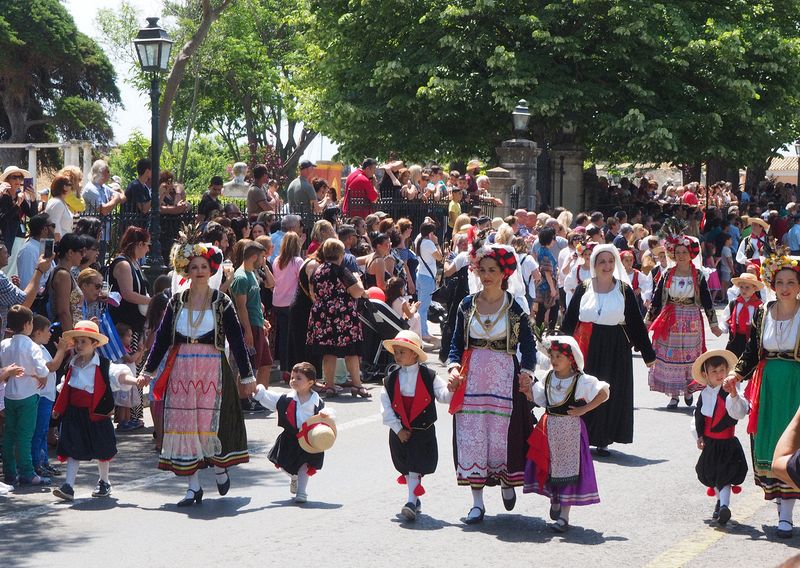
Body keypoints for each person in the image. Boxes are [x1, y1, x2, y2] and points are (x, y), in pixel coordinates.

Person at [140, 240, 255, 506]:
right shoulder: (177, 301)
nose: (200, 271)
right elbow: (161, 339)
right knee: (184, 427)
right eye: (194, 267)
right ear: (186, 271)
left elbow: (236, 339)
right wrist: (149, 370)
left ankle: (218, 467)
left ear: (211, 269)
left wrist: (247, 376)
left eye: (204, 266)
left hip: (212, 368)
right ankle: (192, 487)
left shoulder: (221, 301)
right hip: (181, 368)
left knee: (208, 424)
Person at [447, 240, 536, 525]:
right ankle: (477, 503)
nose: (486, 275)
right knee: (472, 438)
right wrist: (452, 368)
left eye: (492, 270)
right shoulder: (466, 305)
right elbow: (454, 344)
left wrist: (528, 373)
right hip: (471, 381)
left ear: (504, 273)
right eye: (482, 269)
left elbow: (529, 349)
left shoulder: (515, 308)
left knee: (502, 438)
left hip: (504, 382)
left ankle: (506, 480)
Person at [726, 253, 800, 538]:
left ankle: (787, 515)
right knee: (770, 445)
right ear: (772, 283)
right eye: (779, 282)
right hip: (768, 386)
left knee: (793, 447)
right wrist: (736, 374)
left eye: (791, 282)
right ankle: (783, 506)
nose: (784, 287)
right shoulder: (763, 312)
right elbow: (751, 352)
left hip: (795, 386)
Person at [561, 244, 656, 455]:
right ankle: (582, 435)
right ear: (594, 264)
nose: (607, 265)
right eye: (602, 261)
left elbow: (635, 324)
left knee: (607, 391)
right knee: (584, 390)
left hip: (614, 348)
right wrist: (559, 347)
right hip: (585, 344)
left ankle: (603, 437)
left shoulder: (623, 289)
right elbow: (569, 320)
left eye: (611, 261)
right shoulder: (583, 287)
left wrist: (648, 354)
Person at [522, 335, 608, 533]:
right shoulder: (548, 377)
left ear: (571, 359)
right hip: (549, 428)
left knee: (568, 471)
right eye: (552, 356)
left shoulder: (581, 380)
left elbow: (603, 392)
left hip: (570, 430)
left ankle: (564, 516)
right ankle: (555, 500)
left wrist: (583, 410)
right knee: (551, 467)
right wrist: (528, 392)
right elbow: (542, 399)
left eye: (559, 356)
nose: (553, 360)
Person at [51, 320, 138, 501]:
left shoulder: (104, 365)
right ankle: (68, 486)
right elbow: (65, 387)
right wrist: (59, 409)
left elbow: (119, 375)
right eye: (77, 341)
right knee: (72, 448)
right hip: (74, 414)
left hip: (97, 413)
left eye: (84, 341)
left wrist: (134, 380)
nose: (79, 345)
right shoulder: (72, 364)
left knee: (103, 449)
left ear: (94, 344)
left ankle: (104, 481)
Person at [380, 330, 453, 521]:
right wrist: (398, 429)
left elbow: (444, 396)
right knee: (405, 465)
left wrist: (453, 389)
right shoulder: (390, 379)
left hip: (422, 431)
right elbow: (385, 407)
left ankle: (411, 501)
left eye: (402, 352)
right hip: (400, 431)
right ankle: (414, 497)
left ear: (414, 353)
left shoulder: (430, 376)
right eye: (396, 352)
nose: (397, 355)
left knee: (415, 465)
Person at [647, 231, 722, 408]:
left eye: (684, 253)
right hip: (670, 319)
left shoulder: (698, 275)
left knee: (690, 356)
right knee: (670, 355)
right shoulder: (667, 274)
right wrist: (648, 320)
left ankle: (688, 389)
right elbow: (657, 298)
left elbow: (707, 300)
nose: (681, 256)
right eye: (678, 252)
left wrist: (713, 324)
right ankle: (674, 395)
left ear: (691, 255)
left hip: (691, 319)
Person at [253, 362, 336, 504]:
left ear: (310, 382)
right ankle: (293, 477)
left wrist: (326, 414)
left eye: (298, 378)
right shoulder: (286, 399)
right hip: (290, 438)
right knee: (284, 465)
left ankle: (302, 492)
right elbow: (270, 398)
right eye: (292, 378)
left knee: (305, 465)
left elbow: (329, 413)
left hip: (308, 439)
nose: (293, 381)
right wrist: (259, 391)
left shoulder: (317, 402)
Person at [690, 350, 748, 526]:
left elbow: (739, 413)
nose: (718, 375)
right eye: (713, 371)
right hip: (710, 442)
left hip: (727, 442)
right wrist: (698, 435)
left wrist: (733, 395)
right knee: (709, 473)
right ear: (705, 374)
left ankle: (724, 506)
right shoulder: (704, 394)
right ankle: (720, 502)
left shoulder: (732, 392)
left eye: (722, 370)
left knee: (725, 475)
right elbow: (698, 416)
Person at [307, 238, 371, 399]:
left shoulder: (317, 270)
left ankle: (329, 386)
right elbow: (357, 292)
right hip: (343, 315)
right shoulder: (341, 270)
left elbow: (313, 293)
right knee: (351, 351)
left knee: (328, 352)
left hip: (322, 314)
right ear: (340, 254)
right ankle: (357, 385)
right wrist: (357, 279)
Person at [1, 305, 51, 487]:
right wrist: (40, 375)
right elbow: (42, 369)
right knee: (24, 435)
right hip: (28, 395)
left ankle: (9, 472)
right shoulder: (31, 346)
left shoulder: (5, 344)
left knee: (9, 434)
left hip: (9, 395)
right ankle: (27, 473)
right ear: (28, 324)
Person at [230, 240, 273, 394]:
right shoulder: (241, 277)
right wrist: (247, 330)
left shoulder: (251, 274)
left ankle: (261, 397)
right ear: (254, 257)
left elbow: (256, 301)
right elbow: (241, 306)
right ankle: (244, 398)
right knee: (249, 365)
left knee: (266, 363)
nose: (263, 260)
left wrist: (262, 320)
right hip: (249, 326)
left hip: (257, 323)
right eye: (262, 257)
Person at [30, 315, 69, 478]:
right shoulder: (35, 348)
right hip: (42, 396)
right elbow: (51, 367)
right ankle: (36, 464)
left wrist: (62, 352)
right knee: (39, 431)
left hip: (47, 395)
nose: (50, 334)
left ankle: (43, 462)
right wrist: (60, 350)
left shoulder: (41, 347)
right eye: (47, 331)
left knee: (43, 430)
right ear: (38, 332)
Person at [272, 232, 303, 375]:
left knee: (283, 336)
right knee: (293, 337)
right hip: (291, 302)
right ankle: (291, 367)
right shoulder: (297, 262)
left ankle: (284, 367)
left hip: (278, 301)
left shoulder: (277, 260)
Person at [48, 233, 85, 332]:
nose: (83, 256)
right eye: (81, 252)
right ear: (70, 253)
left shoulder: (64, 272)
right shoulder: (63, 275)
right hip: (61, 332)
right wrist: (70, 340)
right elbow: (63, 311)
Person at [719, 273, 763, 357]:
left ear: (754, 288)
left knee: (749, 360)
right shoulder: (734, 303)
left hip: (751, 338)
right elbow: (725, 318)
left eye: (747, 287)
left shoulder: (759, 305)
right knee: (732, 359)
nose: (744, 290)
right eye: (741, 287)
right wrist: (721, 329)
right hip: (735, 338)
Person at [414, 222, 442, 343]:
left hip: (420, 274)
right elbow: (440, 257)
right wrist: (436, 242)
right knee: (423, 307)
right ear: (430, 233)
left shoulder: (418, 240)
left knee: (420, 305)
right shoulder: (429, 243)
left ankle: (420, 330)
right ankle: (423, 332)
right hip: (427, 277)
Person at [0, 165, 39, 252]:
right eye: (14, 177)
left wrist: (33, 199)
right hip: (7, 238)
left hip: (19, 237)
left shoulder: (19, 194)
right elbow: (3, 219)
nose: (18, 180)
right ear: (7, 180)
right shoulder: (4, 196)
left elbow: (33, 216)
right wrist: (17, 205)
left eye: (20, 177)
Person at [17, 213, 53, 291]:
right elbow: (26, 284)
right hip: (36, 301)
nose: (54, 229)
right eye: (53, 226)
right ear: (45, 229)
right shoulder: (28, 251)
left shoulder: (45, 247)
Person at [534, 227, 559, 332]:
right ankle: (549, 330)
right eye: (553, 238)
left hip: (545, 285)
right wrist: (552, 288)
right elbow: (547, 272)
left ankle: (539, 331)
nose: (555, 240)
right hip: (547, 286)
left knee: (543, 310)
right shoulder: (546, 253)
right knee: (550, 308)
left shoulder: (541, 250)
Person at [45, 175, 75, 240]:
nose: (72, 187)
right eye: (70, 184)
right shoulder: (57, 203)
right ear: (64, 187)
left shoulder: (60, 202)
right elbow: (55, 230)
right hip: (60, 245)